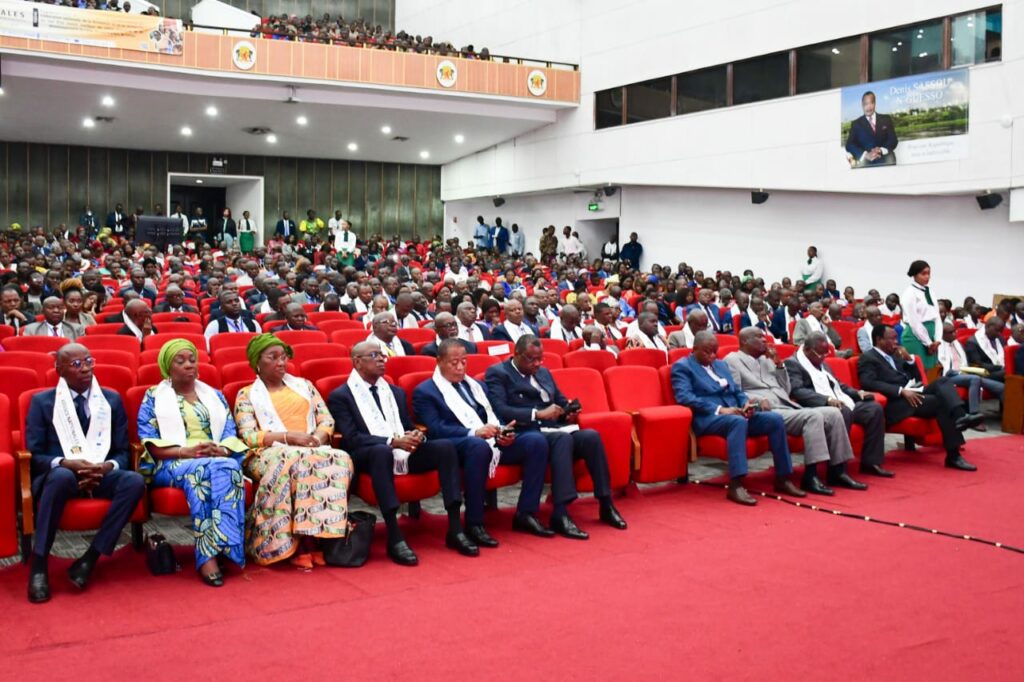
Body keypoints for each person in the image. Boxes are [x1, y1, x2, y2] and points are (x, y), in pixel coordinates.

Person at [330, 342, 480, 564]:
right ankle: (394, 535)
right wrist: (392, 441)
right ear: (357, 362)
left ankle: (455, 529)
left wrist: (416, 436)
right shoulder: (341, 396)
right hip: (366, 455)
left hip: (401, 450)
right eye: (374, 355)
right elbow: (351, 439)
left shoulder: (395, 393)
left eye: (383, 356)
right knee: (382, 451)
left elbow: (408, 425)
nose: (381, 359)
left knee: (445, 447)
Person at [24, 343, 146, 603]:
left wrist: (106, 467)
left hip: (100, 472)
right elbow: (34, 456)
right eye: (77, 364)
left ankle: (89, 558)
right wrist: (67, 463)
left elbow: (122, 451)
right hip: (63, 476)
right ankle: (39, 564)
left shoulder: (110, 400)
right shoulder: (42, 402)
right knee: (60, 477)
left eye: (89, 361)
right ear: (59, 370)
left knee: (134, 481)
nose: (86, 368)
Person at [485, 336, 626, 537]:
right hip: (526, 433)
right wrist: (537, 414)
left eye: (540, 359)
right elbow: (500, 409)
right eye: (532, 359)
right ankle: (560, 512)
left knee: (591, 437)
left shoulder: (543, 372)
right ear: (516, 354)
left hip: (553, 429)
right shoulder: (498, 373)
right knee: (563, 439)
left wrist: (569, 410)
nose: (537, 364)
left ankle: (605, 503)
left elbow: (559, 400)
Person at [413, 339, 555, 540]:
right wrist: (474, 432)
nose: (461, 367)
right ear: (439, 361)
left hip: (490, 439)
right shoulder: (425, 391)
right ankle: (475, 522)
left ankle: (526, 513)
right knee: (477, 446)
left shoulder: (476, 386)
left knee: (535, 441)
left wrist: (503, 432)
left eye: (464, 361)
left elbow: (495, 415)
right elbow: (435, 430)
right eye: (454, 362)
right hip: (460, 445)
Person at [233, 335, 353, 569]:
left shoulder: (305, 386)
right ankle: (296, 545)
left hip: (309, 447)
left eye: (283, 357)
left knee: (340, 457)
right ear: (258, 362)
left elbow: (325, 419)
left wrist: (317, 439)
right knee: (293, 459)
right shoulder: (246, 394)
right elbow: (248, 436)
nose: (281, 362)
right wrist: (288, 438)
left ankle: (319, 538)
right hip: (268, 453)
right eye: (273, 357)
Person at [137, 339, 248, 586]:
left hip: (213, 460)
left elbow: (230, 433)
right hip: (172, 461)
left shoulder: (214, 395)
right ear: (168, 366)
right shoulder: (154, 397)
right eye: (181, 361)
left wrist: (218, 449)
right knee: (217, 470)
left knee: (206, 476)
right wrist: (186, 451)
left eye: (192, 360)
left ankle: (208, 553)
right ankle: (222, 549)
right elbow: (150, 443)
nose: (189, 365)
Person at [724, 328, 865, 495]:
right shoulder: (732, 360)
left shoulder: (767, 360)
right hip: (767, 410)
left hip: (787, 405)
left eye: (764, 336)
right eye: (759, 337)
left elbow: (786, 389)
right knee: (813, 416)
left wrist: (779, 365)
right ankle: (810, 476)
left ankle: (838, 471)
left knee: (835, 413)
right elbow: (736, 392)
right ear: (745, 341)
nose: (764, 339)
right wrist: (757, 400)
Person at [672, 331, 803, 505]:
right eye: (707, 352)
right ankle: (736, 484)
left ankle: (783, 477)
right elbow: (685, 397)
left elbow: (736, 391)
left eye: (714, 351)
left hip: (735, 412)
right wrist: (720, 409)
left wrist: (746, 404)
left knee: (774, 419)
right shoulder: (683, 367)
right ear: (694, 349)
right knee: (737, 422)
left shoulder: (720, 365)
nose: (712, 356)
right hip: (708, 417)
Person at [858, 325, 982, 472]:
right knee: (941, 403)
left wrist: (910, 360)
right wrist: (900, 391)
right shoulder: (868, 357)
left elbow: (917, 378)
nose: (896, 341)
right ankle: (953, 454)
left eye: (896, 338)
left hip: (913, 392)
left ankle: (961, 415)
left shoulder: (895, 355)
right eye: (891, 338)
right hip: (895, 403)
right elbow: (868, 382)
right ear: (879, 340)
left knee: (942, 381)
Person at [786, 332, 892, 477]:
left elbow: (838, 385)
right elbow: (797, 391)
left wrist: (857, 393)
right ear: (808, 350)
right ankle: (837, 470)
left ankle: (871, 462)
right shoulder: (793, 363)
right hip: (816, 407)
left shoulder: (821, 363)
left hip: (839, 402)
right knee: (843, 411)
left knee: (874, 409)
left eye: (826, 354)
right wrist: (827, 400)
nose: (824, 357)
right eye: (820, 354)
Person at [938, 322, 1002, 422]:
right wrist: (959, 373)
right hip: (951, 375)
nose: (955, 334)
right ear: (942, 334)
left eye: (955, 331)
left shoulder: (957, 343)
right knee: (975, 379)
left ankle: (1009, 418)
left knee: (1001, 387)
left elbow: (965, 362)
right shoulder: (939, 346)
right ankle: (974, 415)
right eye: (951, 332)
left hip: (965, 373)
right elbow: (944, 367)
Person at [901, 260, 943, 373]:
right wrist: (928, 343)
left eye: (929, 273)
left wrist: (938, 339)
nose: (927, 276)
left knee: (929, 370)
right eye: (923, 274)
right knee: (918, 371)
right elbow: (914, 322)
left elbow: (937, 317)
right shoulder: (909, 293)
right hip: (915, 335)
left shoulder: (930, 292)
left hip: (931, 334)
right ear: (914, 274)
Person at [845, 90, 898, 167]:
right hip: (866, 165)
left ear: (875, 104)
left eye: (871, 103)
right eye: (866, 104)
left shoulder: (886, 119)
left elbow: (893, 140)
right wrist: (865, 155)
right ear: (862, 105)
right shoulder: (856, 124)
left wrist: (881, 150)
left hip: (887, 162)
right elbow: (849, 145)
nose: (868, 107)